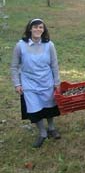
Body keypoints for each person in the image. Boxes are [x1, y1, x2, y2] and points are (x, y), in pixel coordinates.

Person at [10, 18, 61, 148]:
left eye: (41, 27)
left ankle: (51, 128)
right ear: (30, 29)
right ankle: (42, 133)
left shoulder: (49, 45)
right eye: (35, 27)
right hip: (29, 83)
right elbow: (14, 66)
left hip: (46, 81)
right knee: (35, 109)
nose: (38, 29)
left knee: (49, 106)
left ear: (44, 30)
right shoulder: (20, 45)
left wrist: (57, 82)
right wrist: (17, 84)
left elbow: (54, 65)